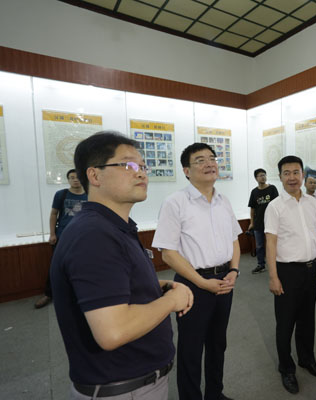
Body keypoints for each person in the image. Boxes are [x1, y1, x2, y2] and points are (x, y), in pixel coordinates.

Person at [51, 131, 193, 400]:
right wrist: (171, 301)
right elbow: (112, 331)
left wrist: (156, 286)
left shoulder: (111, 227)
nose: (141, 173)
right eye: (128, 165)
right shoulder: (94, 235)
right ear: (95, 175)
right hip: (123, 390)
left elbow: (109, 287)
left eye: (143, 166)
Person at [152, 142, 242, 400]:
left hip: (224, 281)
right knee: (191, 348)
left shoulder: (223, 201)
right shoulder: (175, 202)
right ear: (186, 171)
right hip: (192, 285)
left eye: (212, 158)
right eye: (200, 160)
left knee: (218, 343)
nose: (209, 164)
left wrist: (234, 270)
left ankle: (215, 394)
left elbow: (234, 240)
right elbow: (168, 253)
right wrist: (202, 283)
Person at [264, 155, 316, 395]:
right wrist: (273, 276)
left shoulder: (312, 202)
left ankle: (306, 359)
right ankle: (286, 368)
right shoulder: (275, 206)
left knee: (307, 319)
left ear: (303, 175)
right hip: (287, 272)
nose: (292, 177)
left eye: (296, 172)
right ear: (280, 177)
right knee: (285, 323)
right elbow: (270, 243)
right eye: (286, 173)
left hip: (311, 269)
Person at [35, 169, 87, 309]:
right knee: (56, 266)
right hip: (63, 236)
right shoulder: (61, 194)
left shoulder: (90, 195)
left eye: (78, 177)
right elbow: (54, 214)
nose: (75, 180)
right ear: (68, 180)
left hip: (83, 237)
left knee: (82, 266)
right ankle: (49, 294)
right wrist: (52, 234)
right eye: (72, 177)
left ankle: (80, 293)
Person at [248, 168, 279, 274]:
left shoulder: (272, 189)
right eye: (261, 175)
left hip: (272, 222)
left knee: (274, 244)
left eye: (264, 175)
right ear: (256, 178)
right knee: (259, 246)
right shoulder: (254, 192)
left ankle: (277, 264)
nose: (263, 177)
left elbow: (278, 205)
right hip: (258, 223)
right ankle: (261, 265)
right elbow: (252, 209)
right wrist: (252, 223)